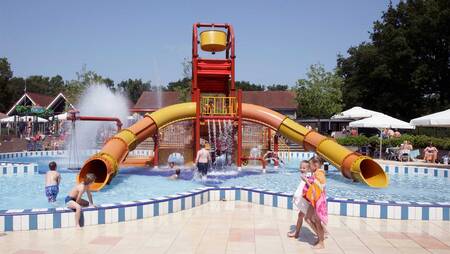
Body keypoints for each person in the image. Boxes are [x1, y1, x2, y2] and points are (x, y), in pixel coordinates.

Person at [304, 157, 327, 249]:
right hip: (313, 200)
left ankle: (321, 242)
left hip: (317, 200)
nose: (309, 167)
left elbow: (319, 187)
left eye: (310, 165)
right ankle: (320, 237)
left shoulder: (320, 173)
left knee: (317, 221)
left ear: (316, 165)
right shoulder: (316, 173)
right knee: (308, 218)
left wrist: (306, 181)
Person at [287, 160, 312, 238]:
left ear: (308, 169)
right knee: (301, 215)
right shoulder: (305, 175)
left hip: (306, 201)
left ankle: (322, 233)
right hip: (305, 200)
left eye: (304, 168)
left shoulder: (307, 176)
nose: (302, 169)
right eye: (301, 167)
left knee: (310, 218)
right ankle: (296, 233)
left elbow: (308, 186)